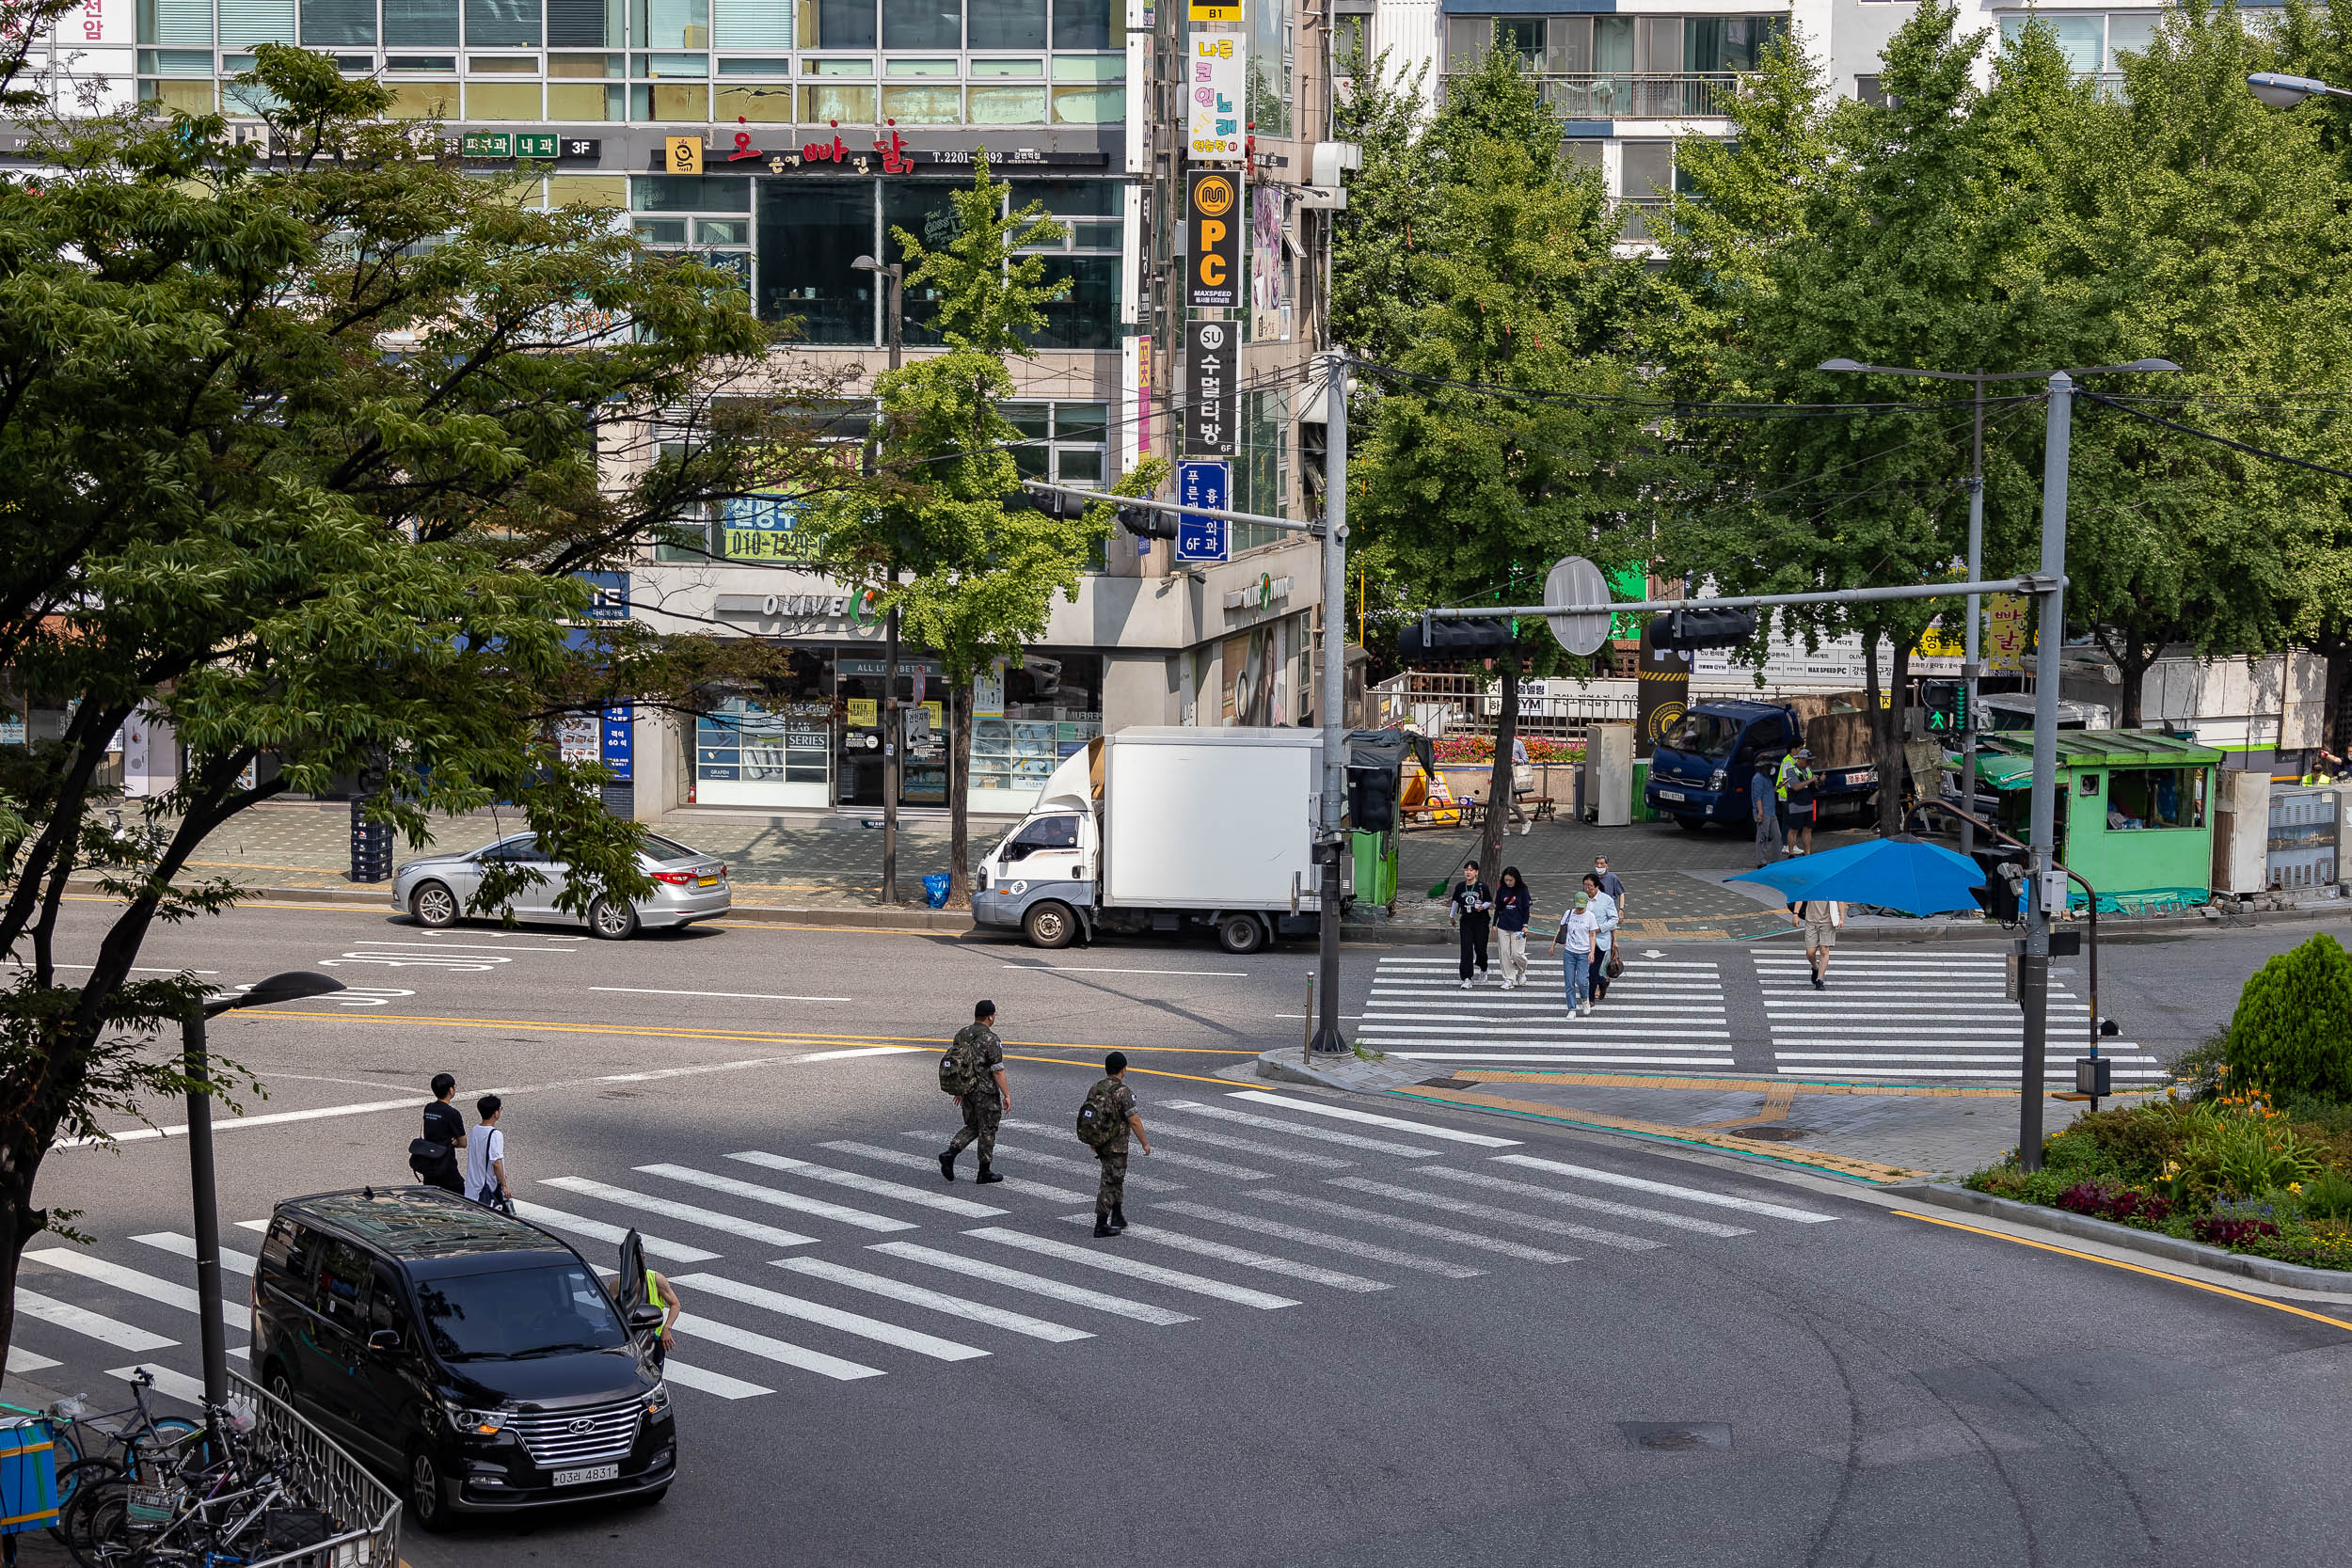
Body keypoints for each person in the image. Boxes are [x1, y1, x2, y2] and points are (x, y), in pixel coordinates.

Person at [939, 1000, 1009, 1185]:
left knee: (972, 1126)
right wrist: (1006, 1094)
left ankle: (951, 1152)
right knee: (987, 1129)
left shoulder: (962, 1033)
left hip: (967, 1089)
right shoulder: (991, 1039)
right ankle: (984, 1171)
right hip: (985, 1091)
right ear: (990, 1016)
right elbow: (998, 1070)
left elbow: (959, 1062)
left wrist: (959, 1089)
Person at [1086, 1051, 1152, 1238]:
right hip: (1117, 1144)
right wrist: (1144, 1143)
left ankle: (1117, 1216)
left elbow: (1090, 1116)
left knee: (1116, 1177)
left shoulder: (1096, 1087)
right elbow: (1134, 1121)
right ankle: (1101, 1223)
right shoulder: (1123, 1092)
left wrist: (1093, 1140)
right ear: (1123, 1069)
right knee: (1109, 1181)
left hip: (1101, 1142)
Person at [412, 1073, 467, 1196]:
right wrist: (455, 1142)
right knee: (457, 1196)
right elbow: (463, 1143)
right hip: (446, 1163)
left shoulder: (428, 1108)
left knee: (432, 1195)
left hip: (429, 1161)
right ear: (451, 1090)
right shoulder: (452, 1113)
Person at [1549, 890, 1597, 1017]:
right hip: (1569, 952)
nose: (1580, 909)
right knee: (1569, 982)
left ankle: (1585, 999)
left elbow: (1592, 935)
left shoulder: (1590, 916)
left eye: (1582, 907)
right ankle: (1572, 1009)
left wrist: (1592, 952)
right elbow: (1560, 928)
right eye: (1578, 907)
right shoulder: (1568, 913)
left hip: (1584, 953)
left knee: (1582, 981)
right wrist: (1553, 944)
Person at [1448, 860, 1493, 990]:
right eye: (1466, 870)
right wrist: (1452, 916)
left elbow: (1489, 901)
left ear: (1476, 872)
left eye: (1471, 870)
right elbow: (1456, 901)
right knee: (1466, 950)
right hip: (1466, 921)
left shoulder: (1481, 887)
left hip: (1481, 921)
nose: (1468, 872)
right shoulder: (1460, 887)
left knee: (1480, 949)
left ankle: (1483, 967)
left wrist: (1482, 906)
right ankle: (1467, 978)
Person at [466, 1094, 511, 1214]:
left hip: (472, 1189)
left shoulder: (475, 1130)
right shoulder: (495, 1134)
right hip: (486, 1191)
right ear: (495, 1113)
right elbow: (496, 1163)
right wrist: (504, 1185)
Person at [1492, 867, 1534, 990]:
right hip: (1503, 926)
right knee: (1504, 953)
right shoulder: (1501, 890)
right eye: (1506, 880)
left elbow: (1526, 909)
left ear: (1516, 879)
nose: (1508, 882)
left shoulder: (1523, 890)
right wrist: (1494, 924)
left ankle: (1521, 970)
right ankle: (1509, 978)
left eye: (1510, 880)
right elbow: (1498, 908)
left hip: (1519, 929)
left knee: (1516, 953)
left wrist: (1525, 925)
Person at [1581, 871, 1619, 1004]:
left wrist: (1600, 928)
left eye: (1590, 886)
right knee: (1584, 970)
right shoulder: (1582, 898)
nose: (1587, 889)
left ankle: (1590, 999)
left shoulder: (1606, 900)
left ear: (1597, 886)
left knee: (1592, 970)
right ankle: (1603, 981)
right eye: (1585, 885)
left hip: (1600, 941)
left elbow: (1614, 919)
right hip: (1584, 941)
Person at [1792, 898, 1841, 989]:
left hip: (1828, 922)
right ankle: (1815, 967)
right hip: (1811, 922)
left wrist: (1841, 918)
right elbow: (1801, 897)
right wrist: (1795, 914)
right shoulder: (1811, 885)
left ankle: (1820, 980)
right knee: (1810, 952)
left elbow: (1839, 900)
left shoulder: (1830, 885)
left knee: (1824, 951)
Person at [640, 1265, 682, 1368]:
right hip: (632, 1341)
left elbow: (675, 1304)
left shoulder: (656, 1280)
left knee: (654, 1376)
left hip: (655, 1342)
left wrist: (667, 1328)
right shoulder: (617, 1285)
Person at [1780, 746, 1819, 856]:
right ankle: (1791, 853)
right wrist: (1811, 780)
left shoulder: (1809, 770)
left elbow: (1814, 785)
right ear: (1800, 759)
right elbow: (1796, 787)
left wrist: (1818, 781)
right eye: (1808, 760)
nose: (1809, 763)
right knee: (1794, 830)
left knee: (1808, 829)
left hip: (1809, 804)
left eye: (1811, 761)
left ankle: (1807, 852)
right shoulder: (1791, 771)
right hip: (1796, 805)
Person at [1750, 760, 1783, 867]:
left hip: (1771, 812)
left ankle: (1775, 860)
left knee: (1777, 836)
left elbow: (1768, 792)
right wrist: (1760, 812)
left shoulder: (1767, 778)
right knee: (1762, 838)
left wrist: (1778, 787)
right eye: (1770, 766)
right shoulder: (1758, 778)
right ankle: (1761, 862)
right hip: (1764, 813)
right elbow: (1757, 797)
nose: (1772, 769)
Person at [1591, 855, 1627, 919]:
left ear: (1607, 866)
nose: (1599, 866)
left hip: (1609, 911)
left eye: (1602, 863)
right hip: (1594, 911)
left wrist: (1621, 909)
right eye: (1597, 863)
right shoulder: (1590, 877)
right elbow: (1584, 894)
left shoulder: (1612, 877)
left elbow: (1621, 893)